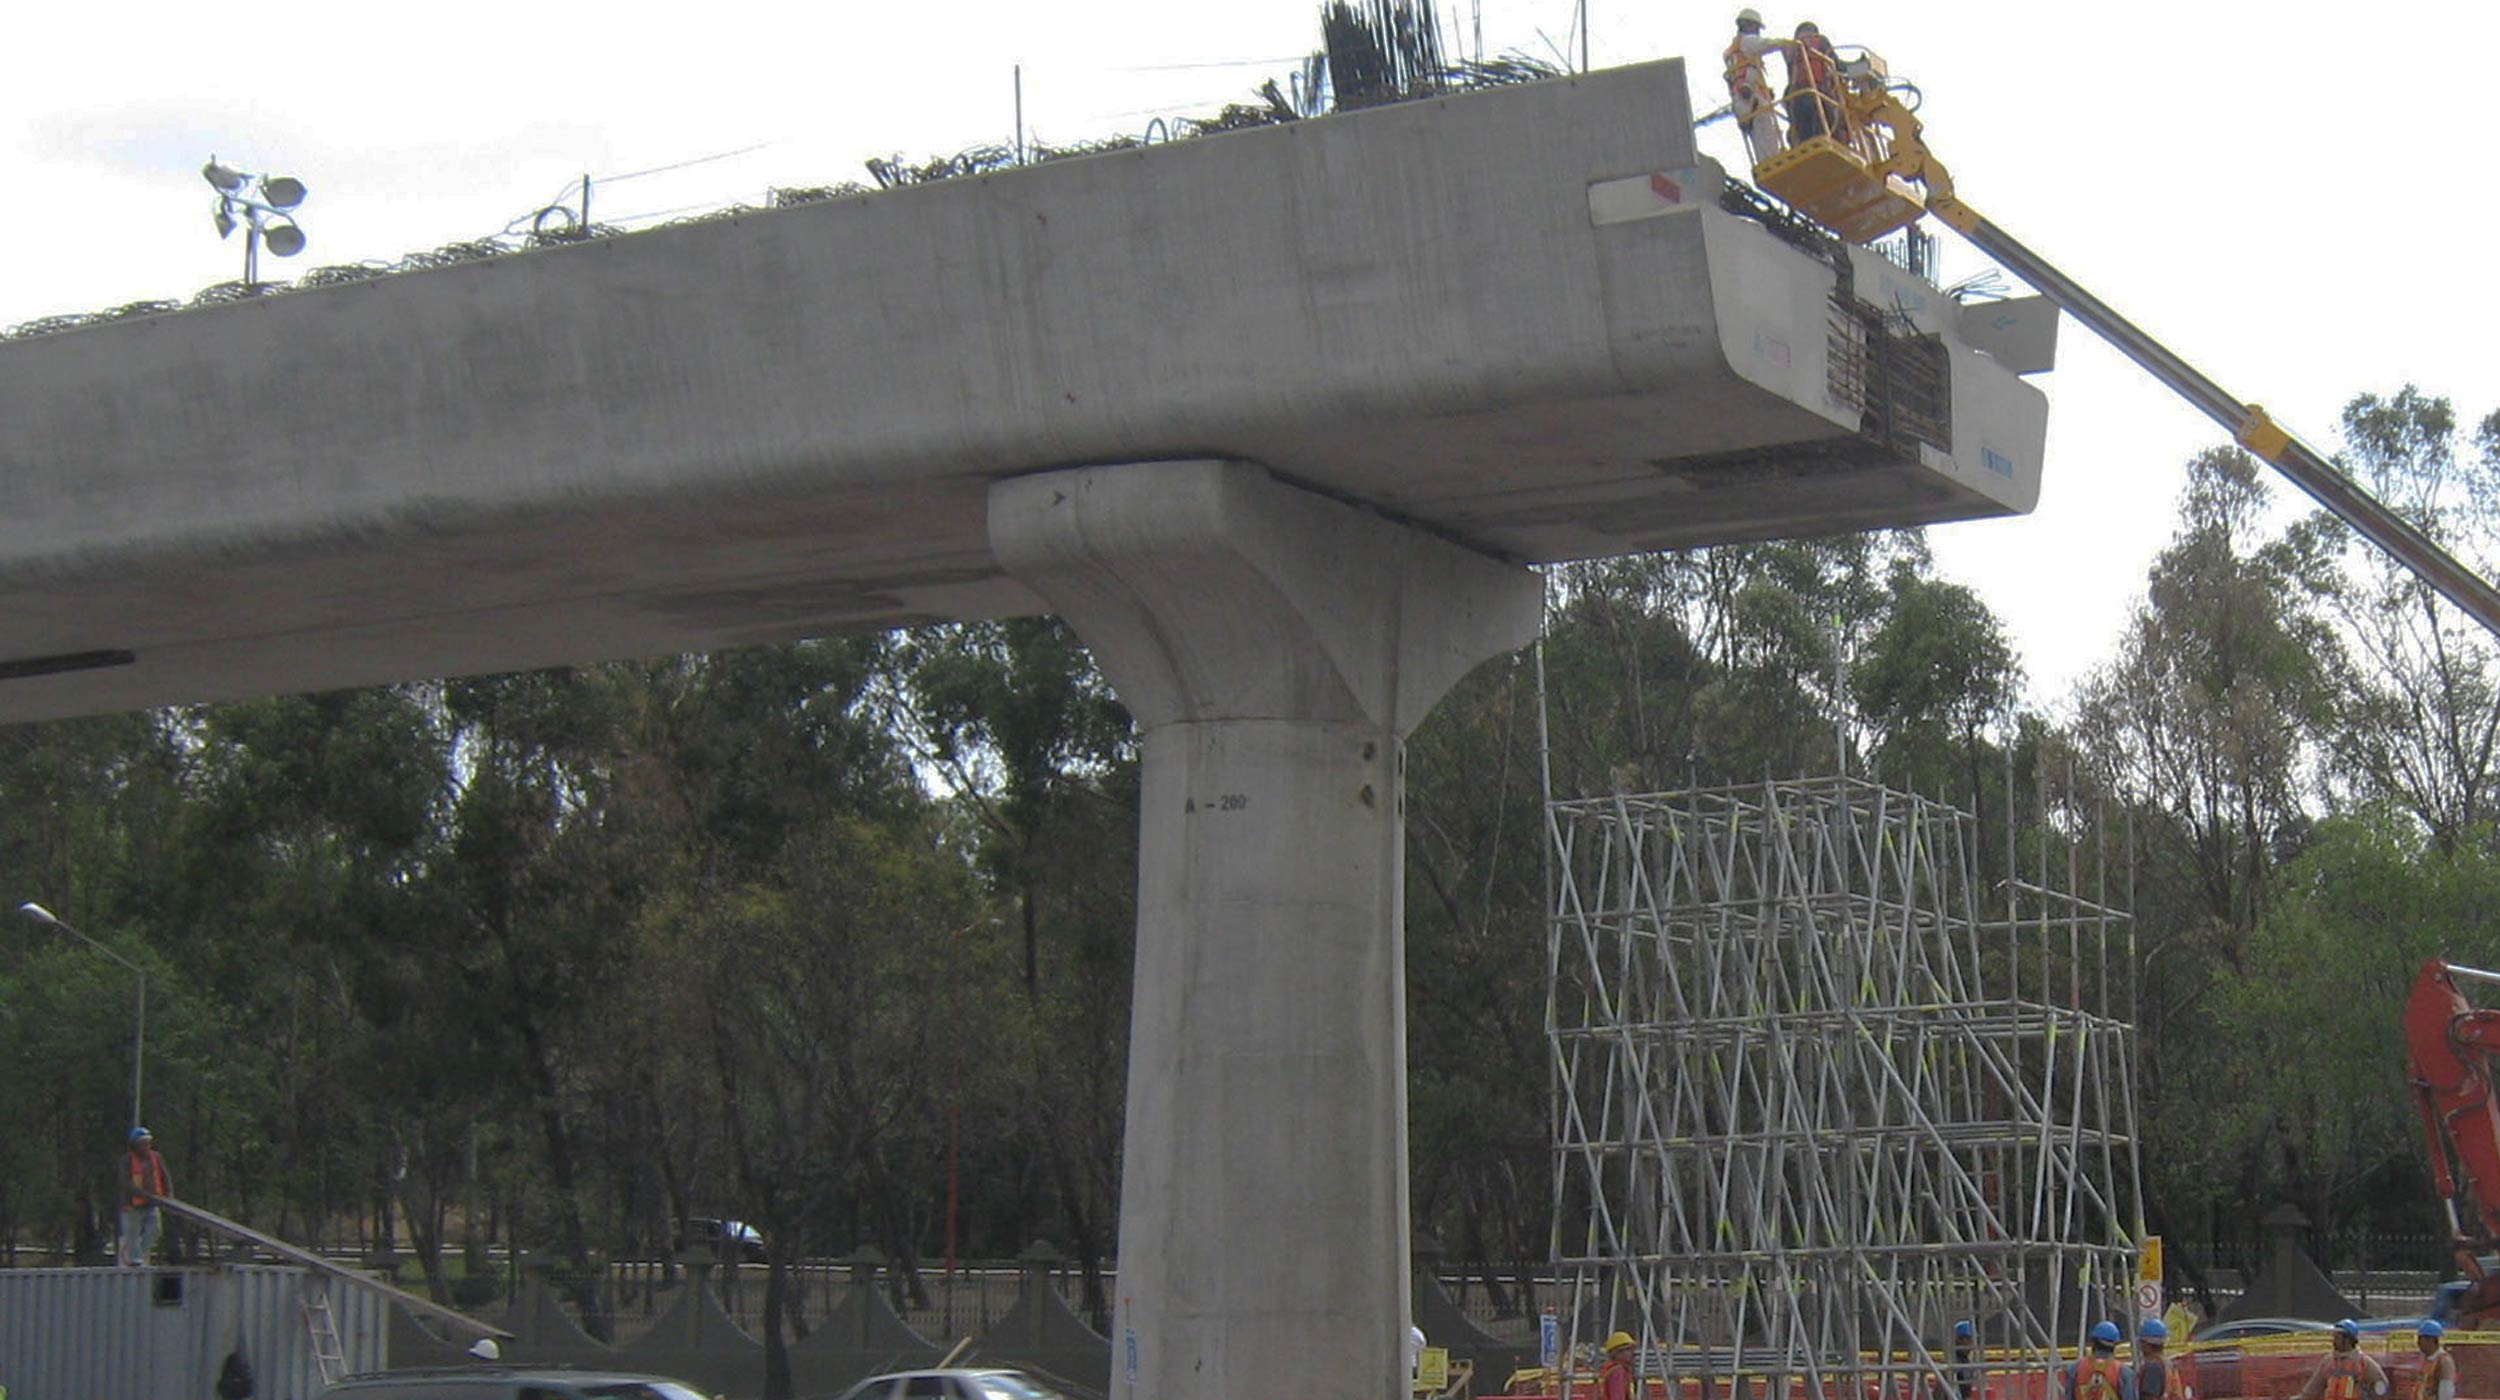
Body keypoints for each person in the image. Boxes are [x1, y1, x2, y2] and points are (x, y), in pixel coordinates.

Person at [1723, 9, 1799, 167]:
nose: (1757, 32)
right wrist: (1785, 43)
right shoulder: (1747, 42)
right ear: (1746, 24)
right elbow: (1765, 44)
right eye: (1755, 27)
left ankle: (1768, 163)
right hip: (1751, 99)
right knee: (1766, 136)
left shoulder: (1734, 50)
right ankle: (1774, 165)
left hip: (1743, 101)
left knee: (1759, 138)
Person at [2293, 1320, 2389, 1400]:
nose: (2334, 1340)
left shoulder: (2363, 1362)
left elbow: (2381, 1387)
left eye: (2337, 1337)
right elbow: (2313, 1387)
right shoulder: (2328, 1361)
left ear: (2348, 1339)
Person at [1784, 21, 1847, 144]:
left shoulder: (1792, 48)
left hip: (1795, 98)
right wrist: (1859, 67)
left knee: (1804, 134)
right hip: (1816, 94)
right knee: (1829, 122)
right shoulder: (1819, 40)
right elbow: (1837, 65)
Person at [120, 1126, 170, 1267]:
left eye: (148, 1142)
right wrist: (142, 1194)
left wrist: (169, 1194)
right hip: (132, 1204)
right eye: (142, 1143)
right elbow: (125, 1183)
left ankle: (139, 1254)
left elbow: (165, 1176)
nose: (146, 1146)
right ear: (134, 1144)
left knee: (155, 1231)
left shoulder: (156, 1157)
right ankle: (134, 1260)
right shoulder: (127, 1160)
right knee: (132, 1234)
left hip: (152, 1203)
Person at [2064, 1321, 2139, 1400]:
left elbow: (2068, 1396)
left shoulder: (2074, 1368)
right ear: (2115, 1345)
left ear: (2093, 1342)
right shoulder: (2124, 1372)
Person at [2412, 1321, 2454, 1400]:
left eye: (2421, 1339)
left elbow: (2446, 1391)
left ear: (2431, 1340)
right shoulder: (2428, 1360)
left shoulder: (2444, 1361)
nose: (2418, 1343)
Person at [2136, 1318, 2174, 1400]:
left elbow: (2150, 1397)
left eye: (2142, 1342)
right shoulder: (2166, 1363)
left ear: (2146, 1345)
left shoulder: (2153, 1367)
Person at [1599, 1330, 1638, 1400]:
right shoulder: (1617, 1372)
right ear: (1617, 1353)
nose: (1632, 1353)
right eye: (1628, 1349)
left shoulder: (1612, 1369)